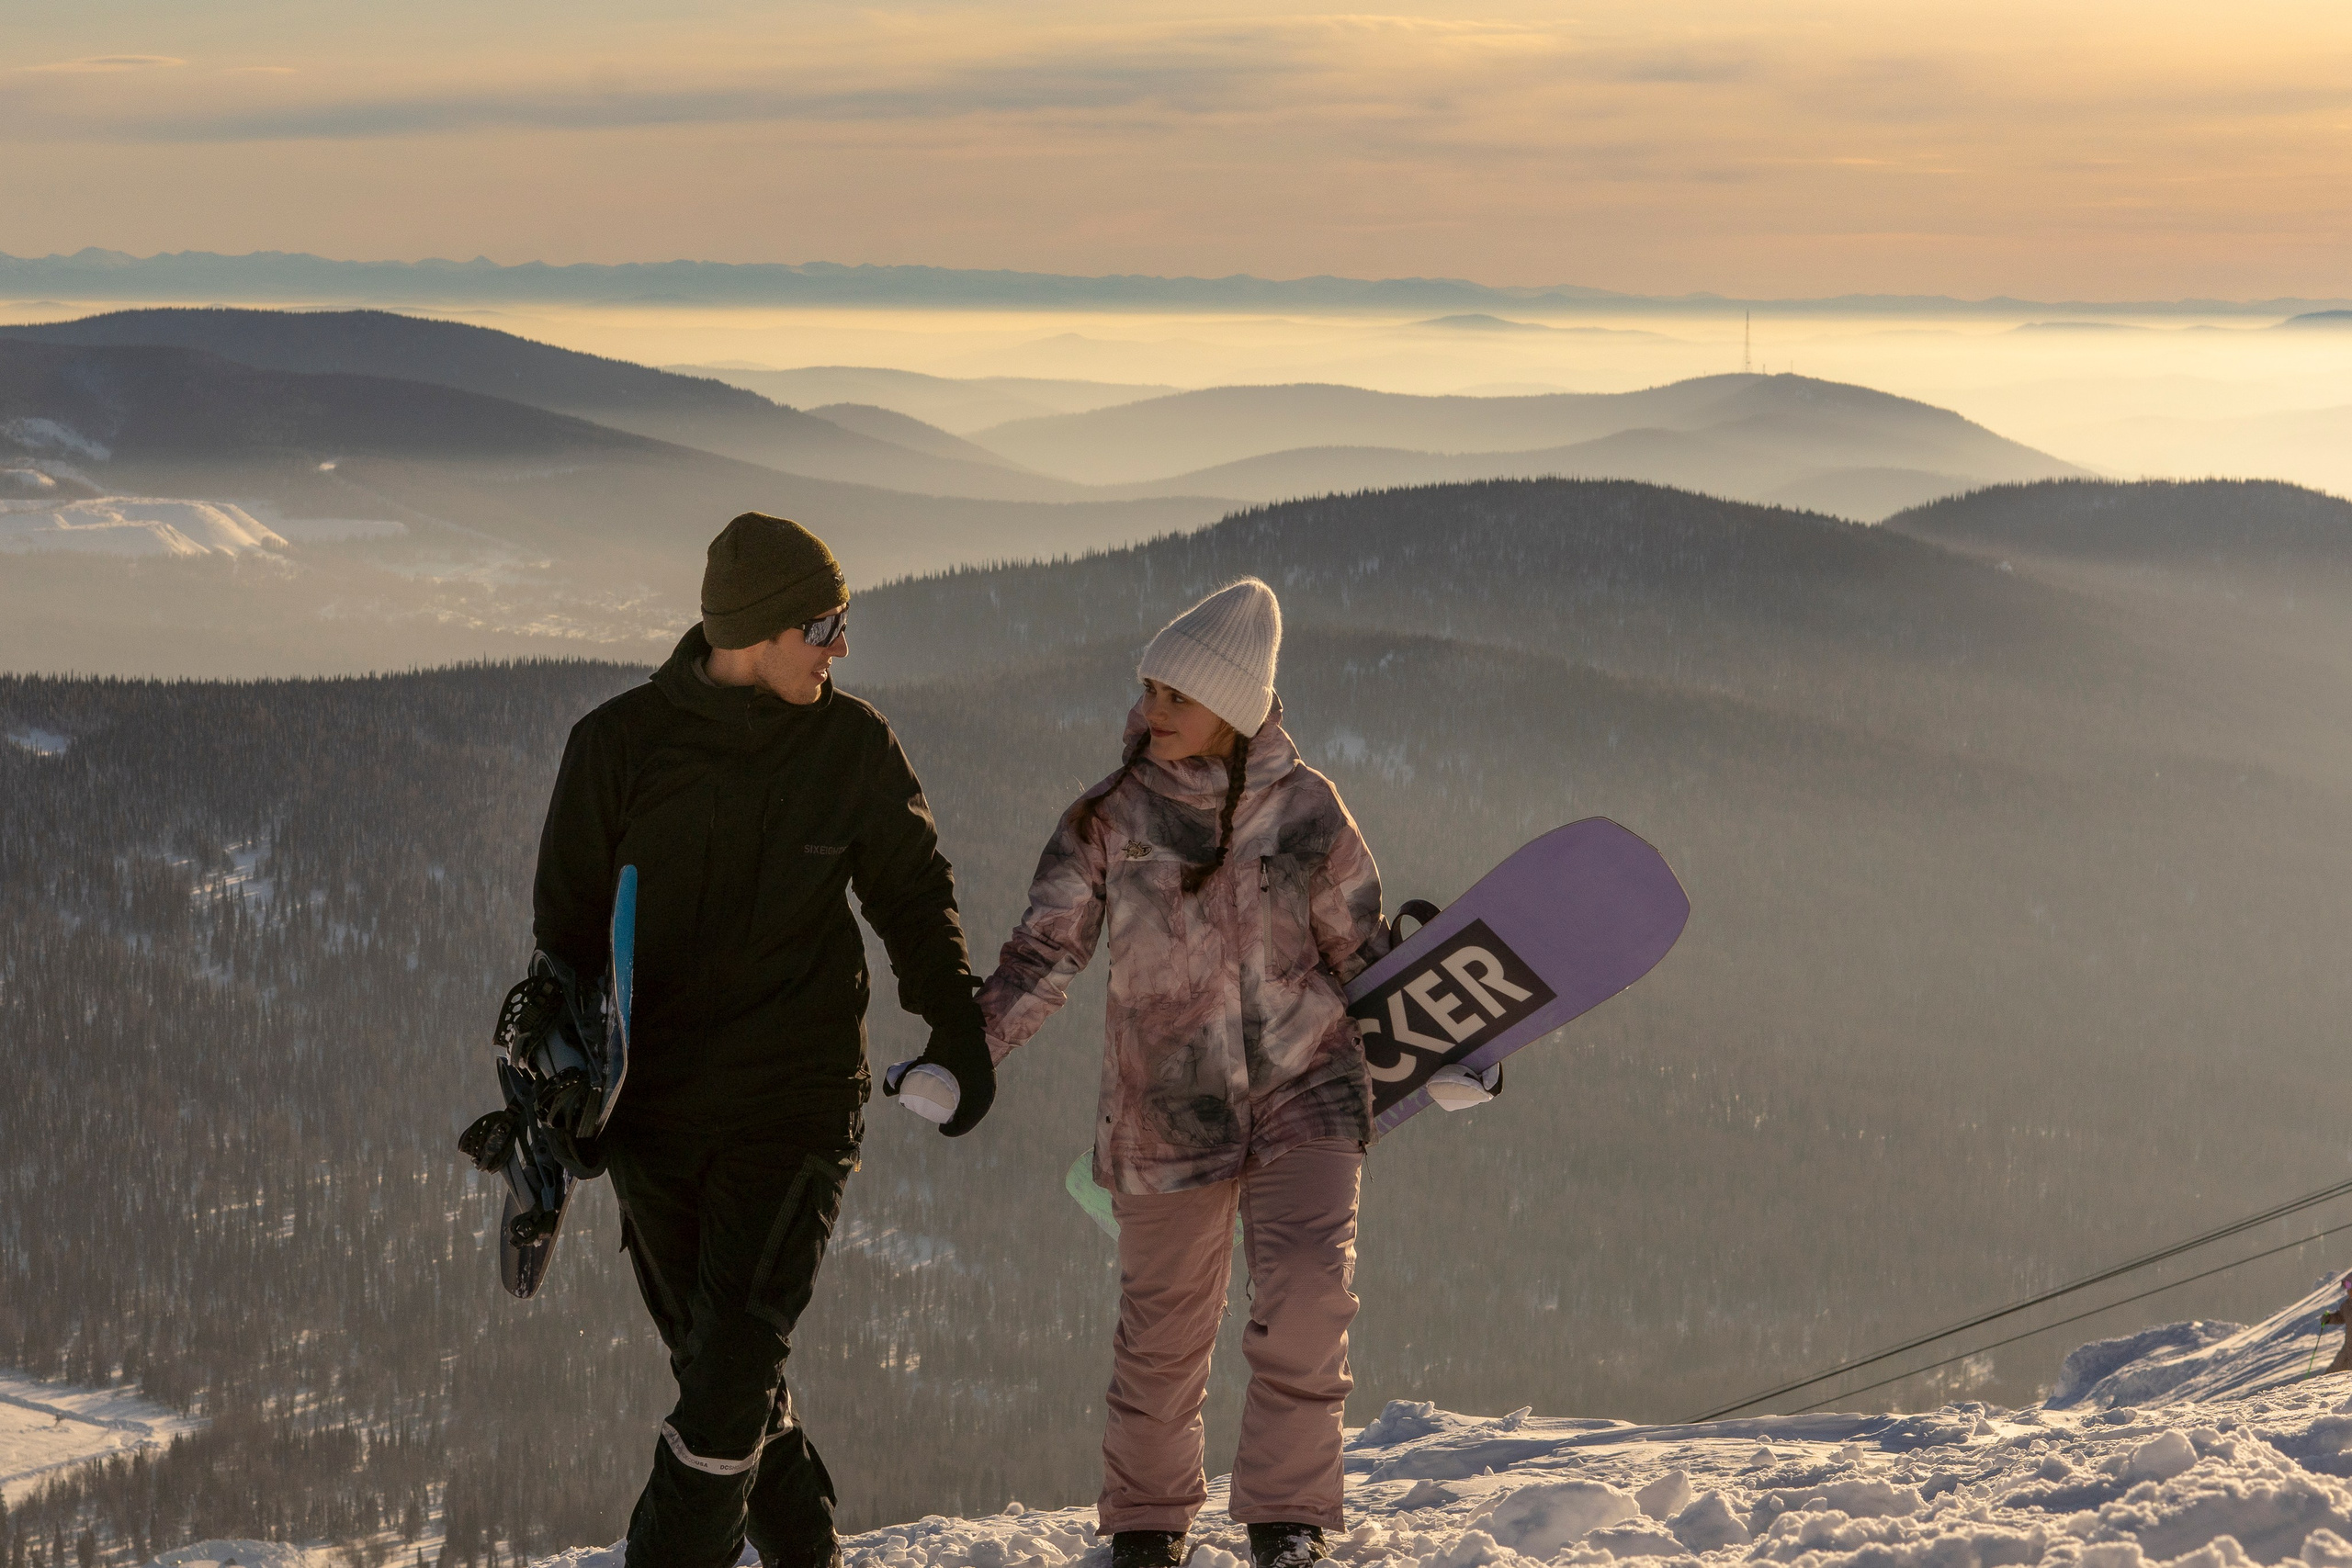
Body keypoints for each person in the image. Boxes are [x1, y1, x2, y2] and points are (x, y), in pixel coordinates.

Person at [530, 512, 996, 1568]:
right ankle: (805, 1550)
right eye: (824, 624)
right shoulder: (615, 748)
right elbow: (563, 941)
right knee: (721, 1371)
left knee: (729, 1372)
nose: (842, 646)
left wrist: (957, 1026)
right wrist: (561, 1083)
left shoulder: (850, 745)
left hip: (795, 1099)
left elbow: (915, 900)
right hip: (654, 1114)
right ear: (755, 630)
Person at [975, 579, 1391, 1568]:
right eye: (1151, 689)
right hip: (1166, 1108)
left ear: (1237, 709)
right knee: (1163, 1333)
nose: (1152, 710)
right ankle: (1149, 1524)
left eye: (1177, 695)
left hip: (1309, 1084)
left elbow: (1360, 948)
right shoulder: (1109, 819)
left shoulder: (1307, 809)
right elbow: (1043, 954)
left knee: (1304, 1296)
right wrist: (967, 1056)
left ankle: (1285, 1520)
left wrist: (1449, 1054)